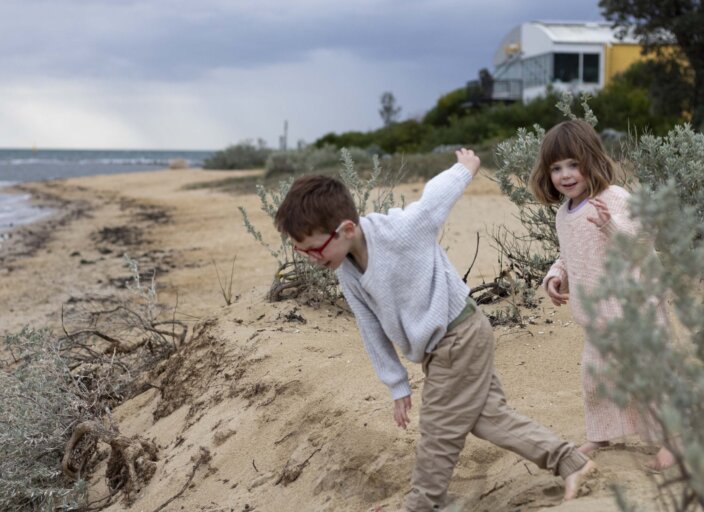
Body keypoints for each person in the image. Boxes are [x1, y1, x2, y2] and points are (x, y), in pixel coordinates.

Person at [274, 149, 595, 511]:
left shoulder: (399, 231)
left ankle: (422, 505)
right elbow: (370, 327)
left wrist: (465, 168)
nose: (313, 261)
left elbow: (433, 200)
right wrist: (395, 383)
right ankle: (571, 462)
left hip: (459, 335)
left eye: (314, 251)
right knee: (488, 419)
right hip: (440, 346)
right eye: (303, 254)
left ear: (346, 229)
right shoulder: (347, 270)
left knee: (438, 431)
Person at [529, 119, 675, 471]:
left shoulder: (614, 198)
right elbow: (568, 253)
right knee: (594, 379)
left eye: (573, 164)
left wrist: (610, 224)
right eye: (556, 168)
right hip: (598, 317)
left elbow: (640, 242)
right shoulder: (564, 214)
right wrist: (556, 275)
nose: (565, 175)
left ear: (591, 160)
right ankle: (603, 432)